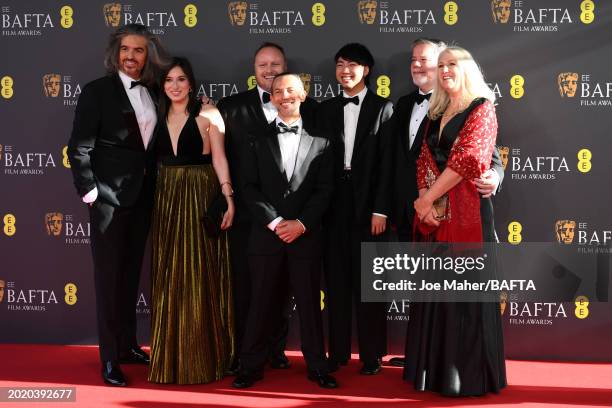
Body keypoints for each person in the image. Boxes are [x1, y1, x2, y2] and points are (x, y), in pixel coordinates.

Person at [391, 38, 504, 368]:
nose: (444, 70)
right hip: (433, 219)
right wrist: (426, 206)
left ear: (466, 68)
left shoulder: (481, 107)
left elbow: (472, 160)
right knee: (435, 292)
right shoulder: (434, 110)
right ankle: (434, 367)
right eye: (441, 65)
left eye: (450, 64)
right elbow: (422, 161)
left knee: (463, 294)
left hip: (464, 216)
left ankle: (462, 374)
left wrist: (426, 198)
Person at [67, 23, 167, 386]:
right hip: (107, 199)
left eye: (139, 50)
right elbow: (79, 146)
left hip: (142, 198)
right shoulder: (97, 92)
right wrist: (90, 192)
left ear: (148, 55)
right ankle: (109, 358)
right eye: (126, 49)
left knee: (129, 277)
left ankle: (127, 346)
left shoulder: (155, 91)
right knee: (109, 280)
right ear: (115, 53)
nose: (131, 56)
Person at [217, 42, 318, 373]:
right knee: (251, 293)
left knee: (289, 294)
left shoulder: (312, 110)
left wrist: (298, 221)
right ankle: (246, 356)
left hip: (299, 222)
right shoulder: (229, 106)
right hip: (250, 217)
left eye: (276, 63)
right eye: (263, 64)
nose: (269, 69)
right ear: (254, 67)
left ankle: (277, 349)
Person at [232, 73, 336, 389]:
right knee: (260, 302)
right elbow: (247, 187)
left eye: (291, 89)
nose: (284, 95)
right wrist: (277, 223)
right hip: (266, 236)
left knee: (309, 305)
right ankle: (250, 366)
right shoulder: (254, 137)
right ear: (272, 98)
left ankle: (318, 366)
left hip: (306, 237)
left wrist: (301, 224)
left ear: (304, 94)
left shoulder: (324, 140)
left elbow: (325, 189)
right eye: (278, 91)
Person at [147, 57, 235, 384]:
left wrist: (228, 197)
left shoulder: (208, 113)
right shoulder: (153, 114)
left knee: (200, 272)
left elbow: (220, 158)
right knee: (169, 274)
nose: (174, 86)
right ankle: (169, 358)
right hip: (165, 196)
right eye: (169, 80)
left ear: (191, 83)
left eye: (181, 79)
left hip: (199, 192)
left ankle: (202, 358)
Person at [317, 43, 393, 375]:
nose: (345, 70)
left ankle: (372, 354)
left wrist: (381, 209)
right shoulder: (324, 109)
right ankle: (337, 353)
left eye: (353, 65)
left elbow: (388, 165)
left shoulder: (384, 108)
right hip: (333, 204)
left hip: (370, 204)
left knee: (370, 281)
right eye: (340, 64)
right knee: (335, 280)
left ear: (367, 70)